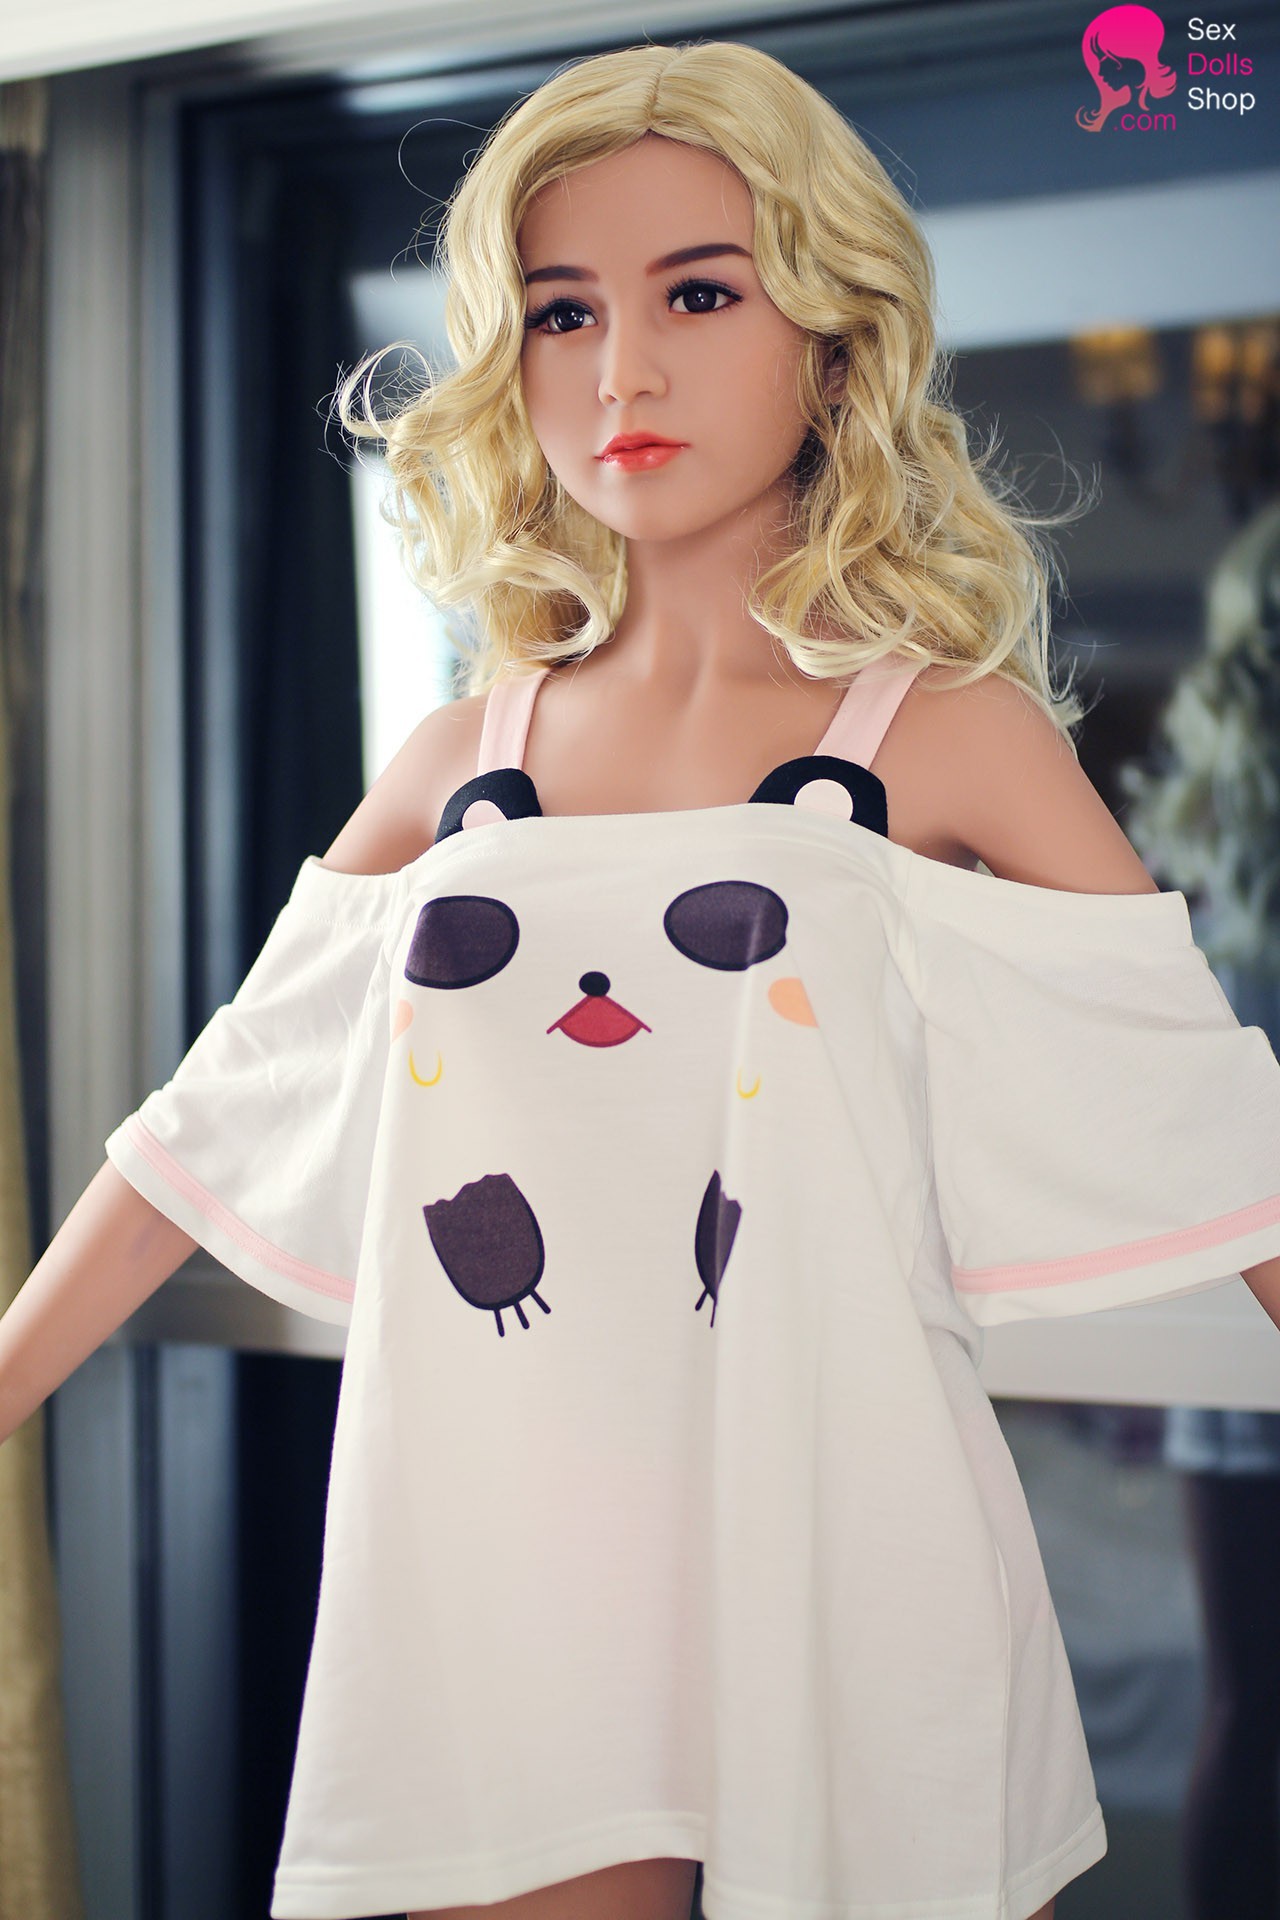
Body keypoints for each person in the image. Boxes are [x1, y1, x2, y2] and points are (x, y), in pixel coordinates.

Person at [5, 38, 1280, 1920]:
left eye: (698, 294)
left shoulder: (951, 735)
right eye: (561, 312)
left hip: (842, 1541)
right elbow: (206, 1127)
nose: (621, 373)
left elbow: (1221, 1125)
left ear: (831, 342)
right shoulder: (455, 763)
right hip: (494, 1556)